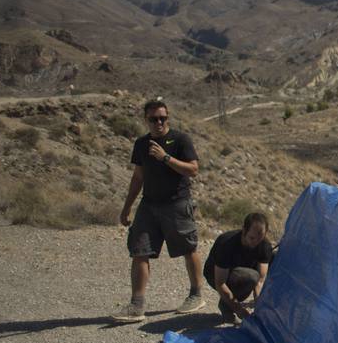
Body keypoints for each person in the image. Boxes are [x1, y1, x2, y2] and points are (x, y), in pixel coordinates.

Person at [112, 98, 204, 322]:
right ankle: (137, 305)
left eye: (162, 118)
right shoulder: (141, 144)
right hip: (149, 204)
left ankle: (196, 295)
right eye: (153, 119)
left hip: (177, 203)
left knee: (188, 248)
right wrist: (126, 208)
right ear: (146, 120)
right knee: (140, 251)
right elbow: (138, 177)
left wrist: (166, 157)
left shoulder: (180, 140)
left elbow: (193, 169)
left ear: (168, 118)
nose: (159, 122)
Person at [203, 212, 274, 324]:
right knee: (251, 277)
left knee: (272, 260)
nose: (256, 243)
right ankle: (226, 306)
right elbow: (220, 283)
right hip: (215, 274)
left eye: (260, 239)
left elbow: (260, 281)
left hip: (242, 271)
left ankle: (227, 303)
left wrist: (259, 307)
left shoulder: (264, 246)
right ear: (244, 230)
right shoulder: (226, 244)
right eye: (252, 238)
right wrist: (239, 310)